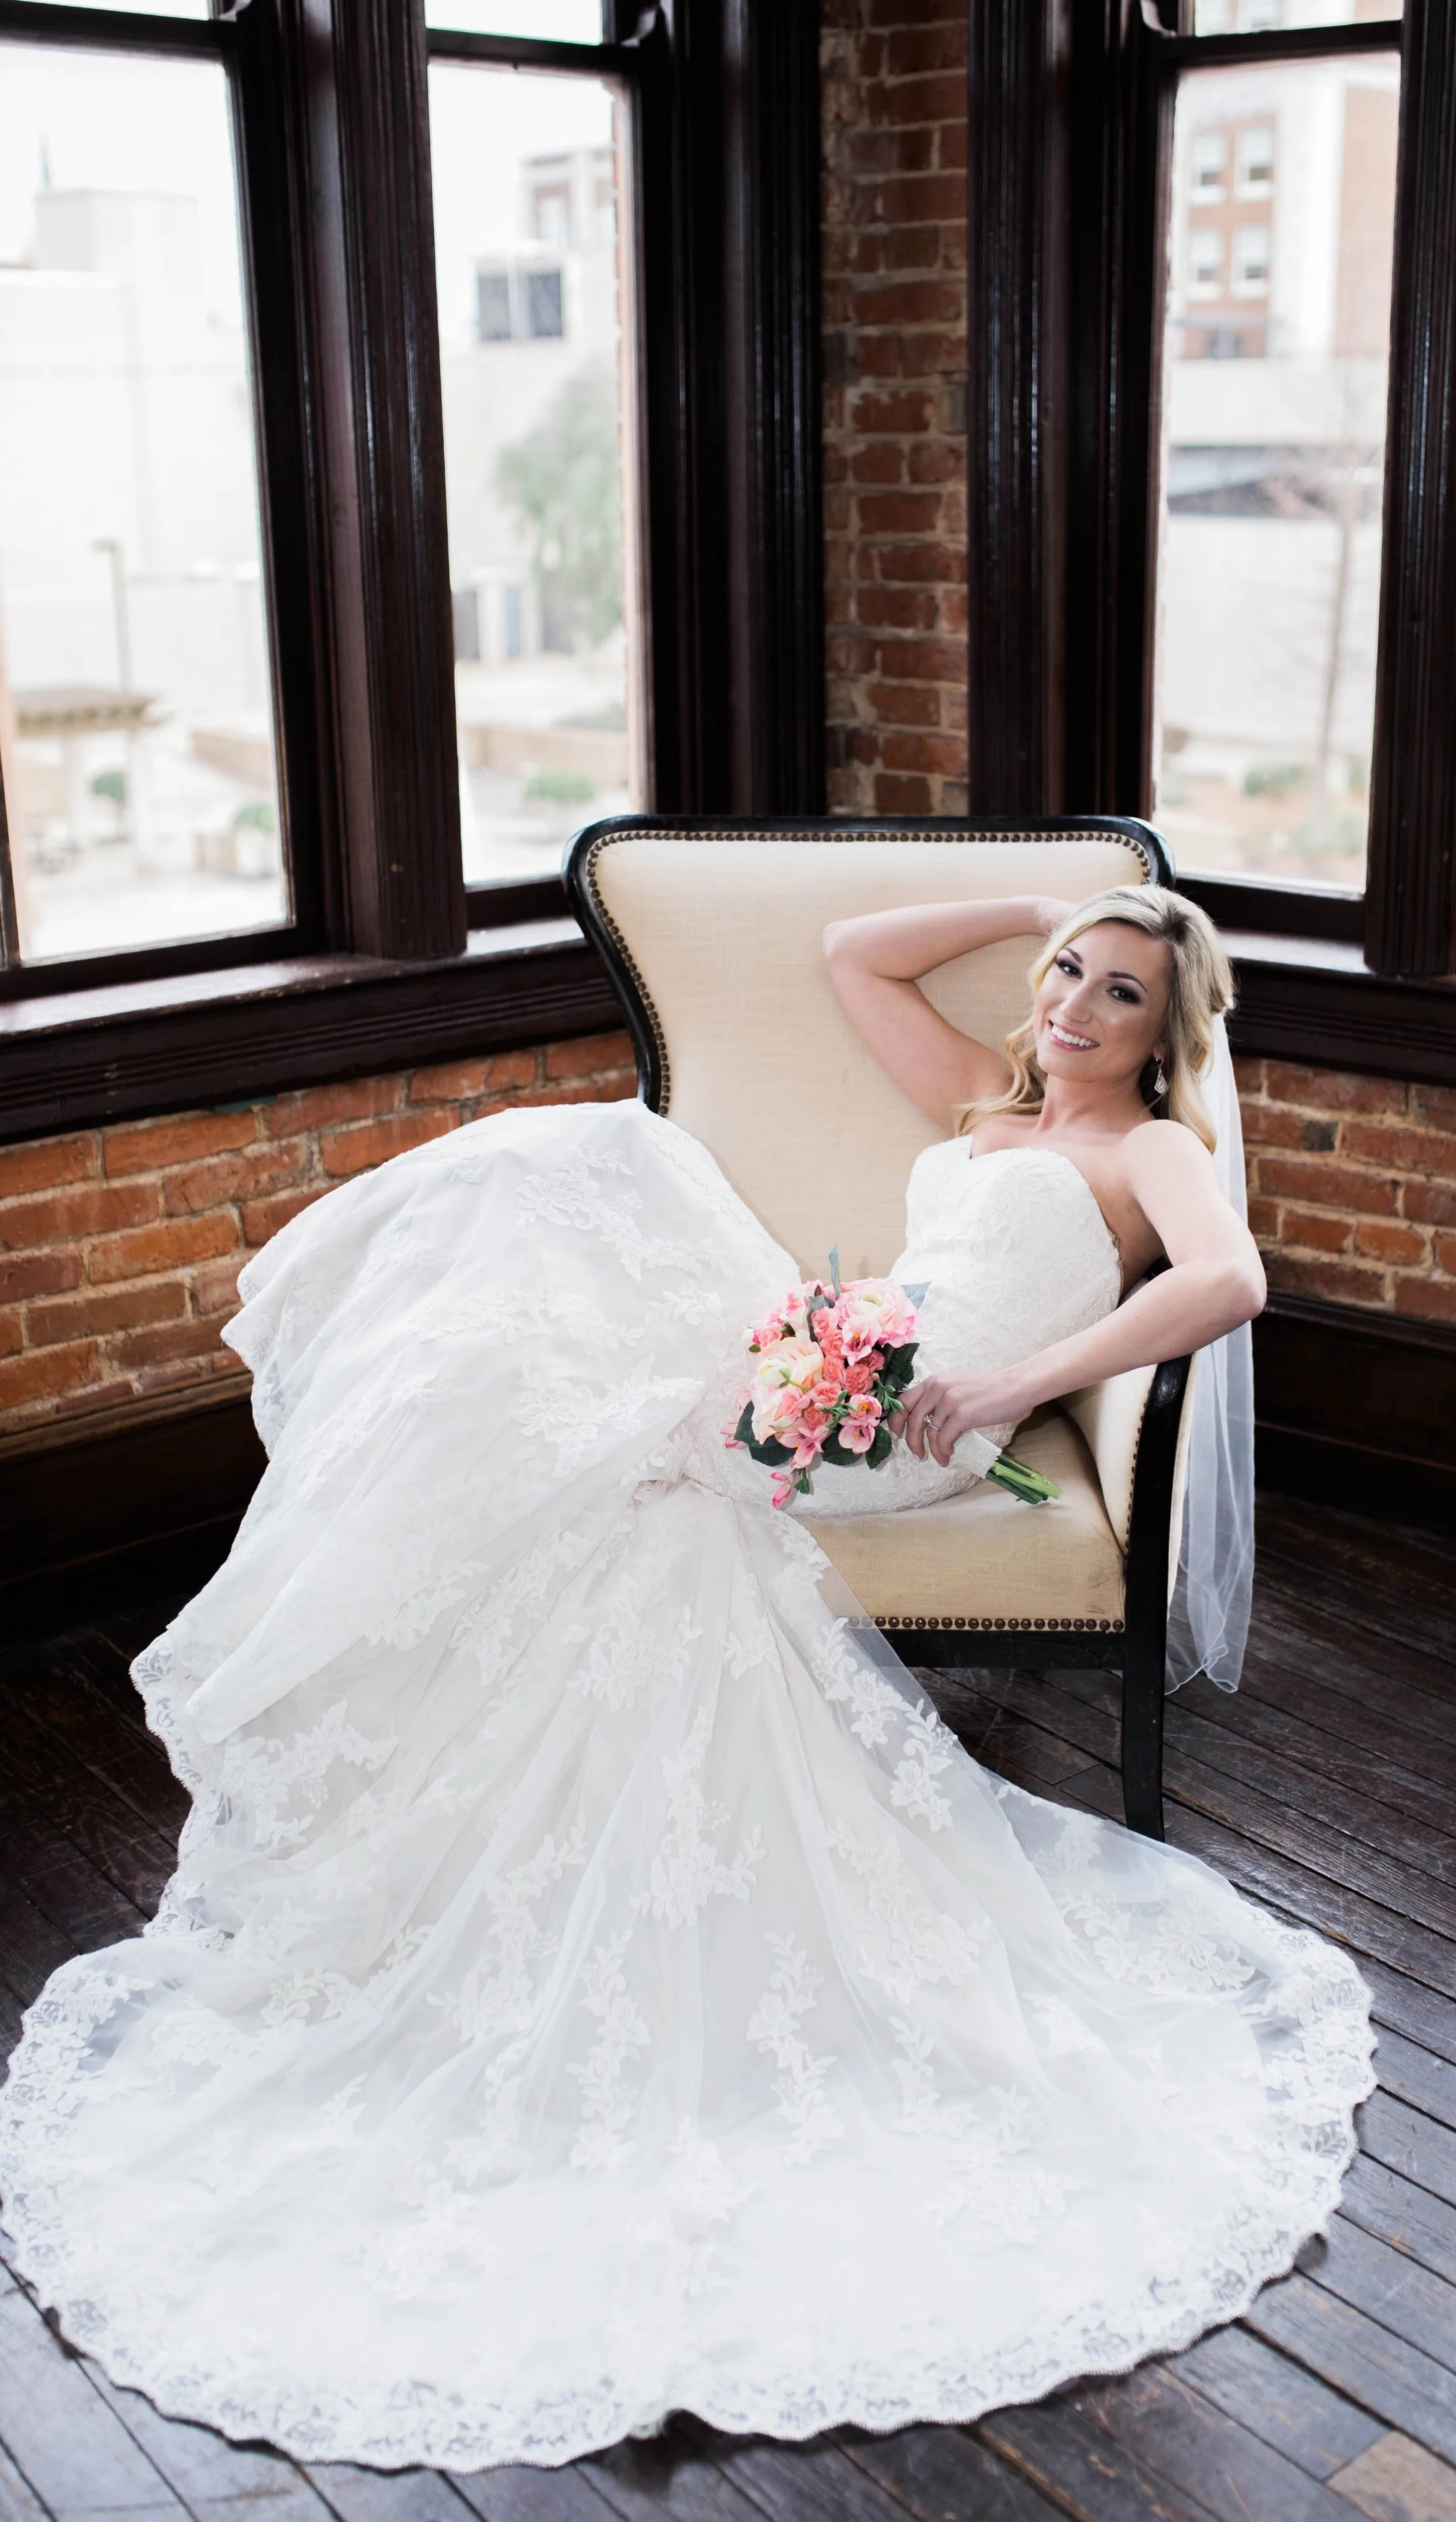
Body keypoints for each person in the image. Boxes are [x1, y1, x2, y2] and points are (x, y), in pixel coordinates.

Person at [0, 887, 1373, 2474]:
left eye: (1117, 992)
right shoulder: (983, 1105)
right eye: (1065, 973)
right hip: (830, 1359)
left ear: (1163, 1032)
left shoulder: (1147, 1151)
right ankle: (434, 1773)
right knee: (559, 1193)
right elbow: (847, 950)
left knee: (584, 1432)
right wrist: (1050, 895)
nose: (1071, 1002)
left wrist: (1010, 1379)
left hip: (918, 1414)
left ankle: (417, 1738)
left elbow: (1229, 1287)